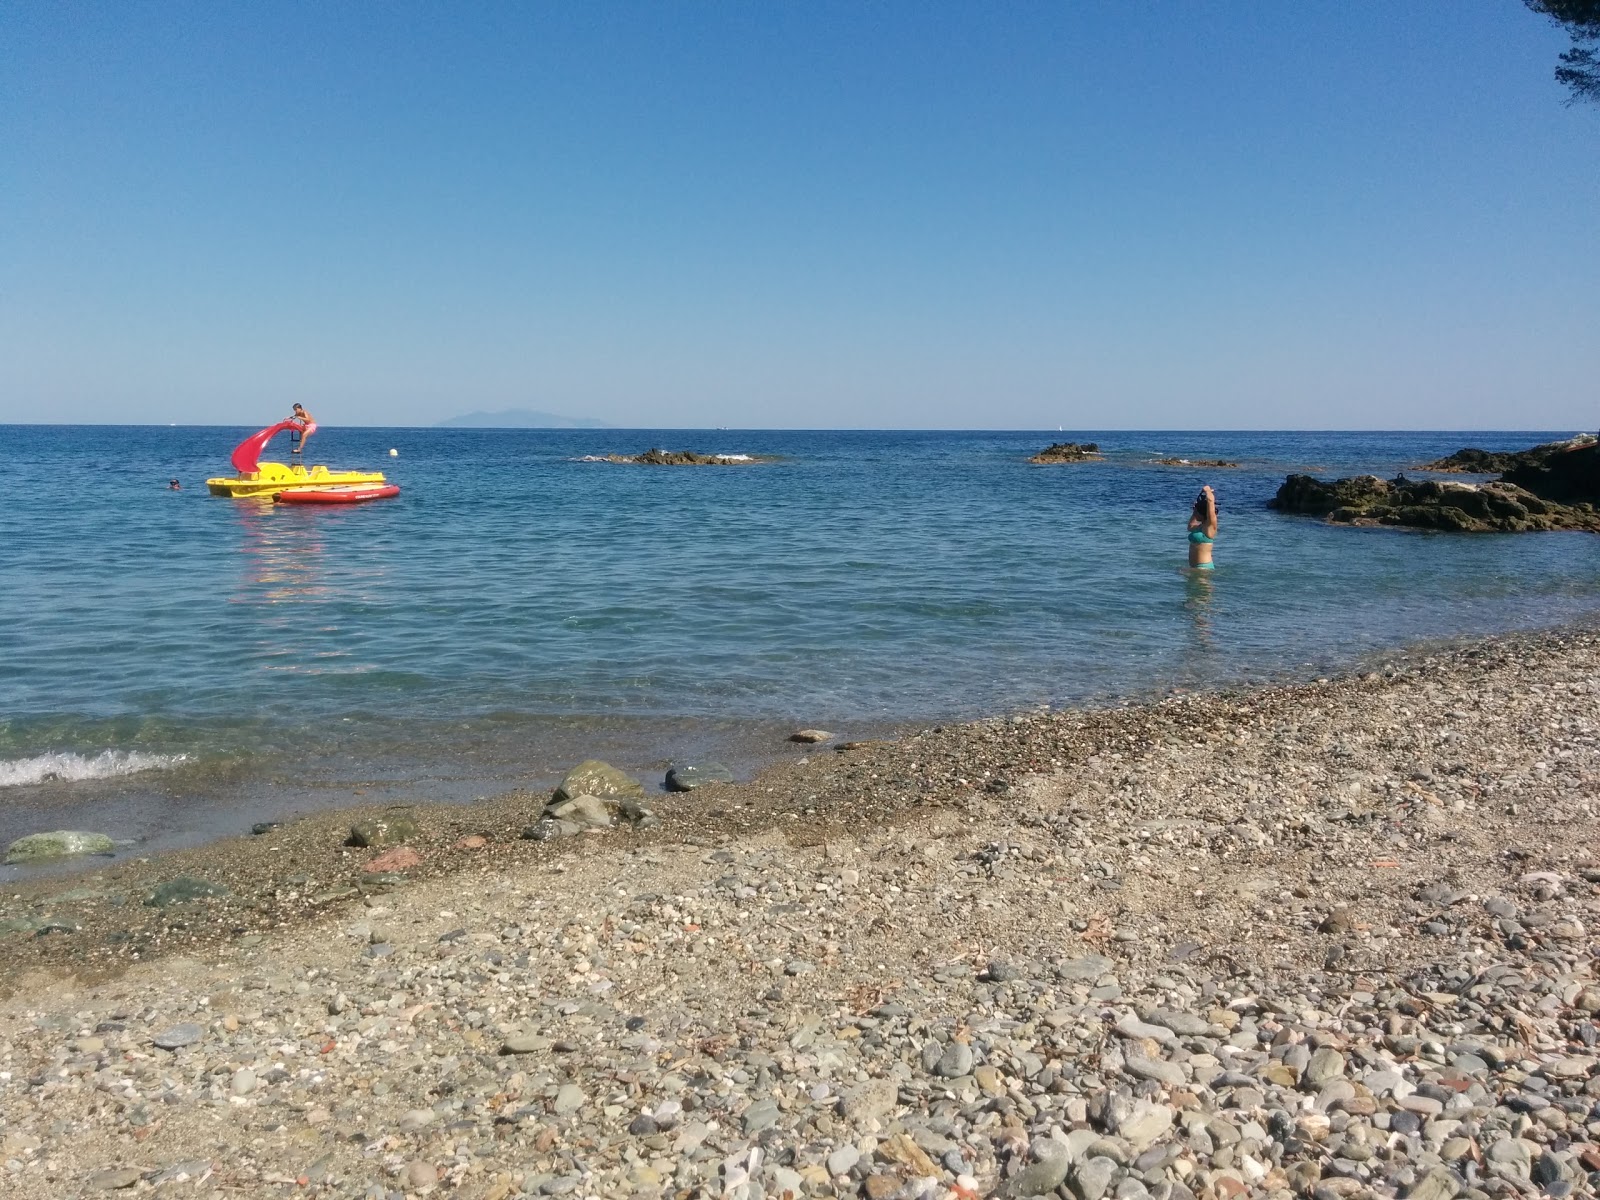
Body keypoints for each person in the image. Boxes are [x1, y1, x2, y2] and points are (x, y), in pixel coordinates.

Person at [1187, 485, 1217, 569]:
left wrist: (1207, 490)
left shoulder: (1210, 527)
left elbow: (1210, 501)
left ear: (1202, 513)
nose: (1195, 513)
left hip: (1204, 568)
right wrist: (1195, 510)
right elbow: (1190, 527)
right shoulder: (1199, 527)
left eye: (1196, 512)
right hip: (1194, 567)